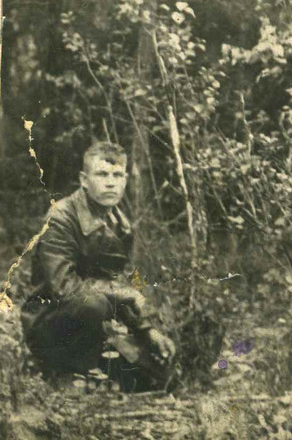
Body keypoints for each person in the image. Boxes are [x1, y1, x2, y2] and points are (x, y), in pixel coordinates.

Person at [21, 142, 176, 391]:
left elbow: (114, 284)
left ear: (125, 181)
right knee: (93, 303)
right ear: (84, 180)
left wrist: (147, 331)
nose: (110, 183)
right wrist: (122, 293)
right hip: (48, 325)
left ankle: (97, 369)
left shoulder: (119, 224)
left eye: (117, 175)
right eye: (102, 174)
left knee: (160, 377)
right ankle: (64, 373)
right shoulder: (60, 218)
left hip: (92, 325)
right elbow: (63, 287)